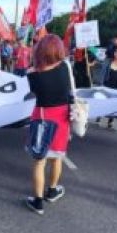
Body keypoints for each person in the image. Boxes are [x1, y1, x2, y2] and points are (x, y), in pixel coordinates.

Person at [24, 34, 73, 215]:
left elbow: (33, 92)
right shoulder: (65, 67)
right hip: (61, 118)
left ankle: (37, 201)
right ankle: (52, 190)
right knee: (57, 157)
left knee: (39, 161)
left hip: (42, 118)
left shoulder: (33, 75)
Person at [98, 47, 117, 130]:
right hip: (107, 86)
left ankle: (110, 121)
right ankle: (99, 117)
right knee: (103, 103)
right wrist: (101, 84)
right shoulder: (107, 62)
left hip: (116, 88)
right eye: (116, 52)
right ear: (113, 53)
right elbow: (102, 74)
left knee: (113, 105)